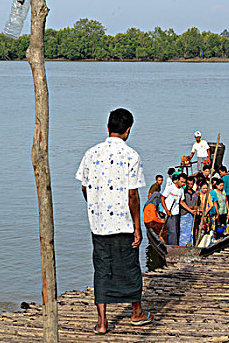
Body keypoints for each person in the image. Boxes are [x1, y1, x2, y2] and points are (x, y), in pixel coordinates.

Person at [75, 108, 153, 335]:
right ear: (128, 130)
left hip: (98, 224)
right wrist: (138, 227)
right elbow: (132, 195)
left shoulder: (91, 153)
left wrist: (95, 206)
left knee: (102, 269)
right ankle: (136, 313)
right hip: (124, 222)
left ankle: (102, 322)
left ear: (107, 127)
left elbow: (84, 186)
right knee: (130, 266)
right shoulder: (131, 156)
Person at [161, 173, 194, 245]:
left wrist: (190, 210)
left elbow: (181, 202)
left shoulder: (181, 190)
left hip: (176, 213)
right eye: (181, 181)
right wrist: (166, 210)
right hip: (169, 213)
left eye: (184, 182)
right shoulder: (170, 187)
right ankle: (172, 247)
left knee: (177, 231)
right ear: (178, 180)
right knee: (172, 231)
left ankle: (176, 246)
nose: (183, 183)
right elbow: (162, 198)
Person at [179, 177, 198, 246]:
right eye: (188, 184)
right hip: (184, 214)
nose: (190, 185)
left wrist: (195, 208)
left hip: (192, 215)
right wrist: (191, 208)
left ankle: (190, 244)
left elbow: (196, 203)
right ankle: (182, 245)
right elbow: (181, 203)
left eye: (191, 184)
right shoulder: (182, 192)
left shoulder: (195, 193)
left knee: (190, 231)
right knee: (183, 231)